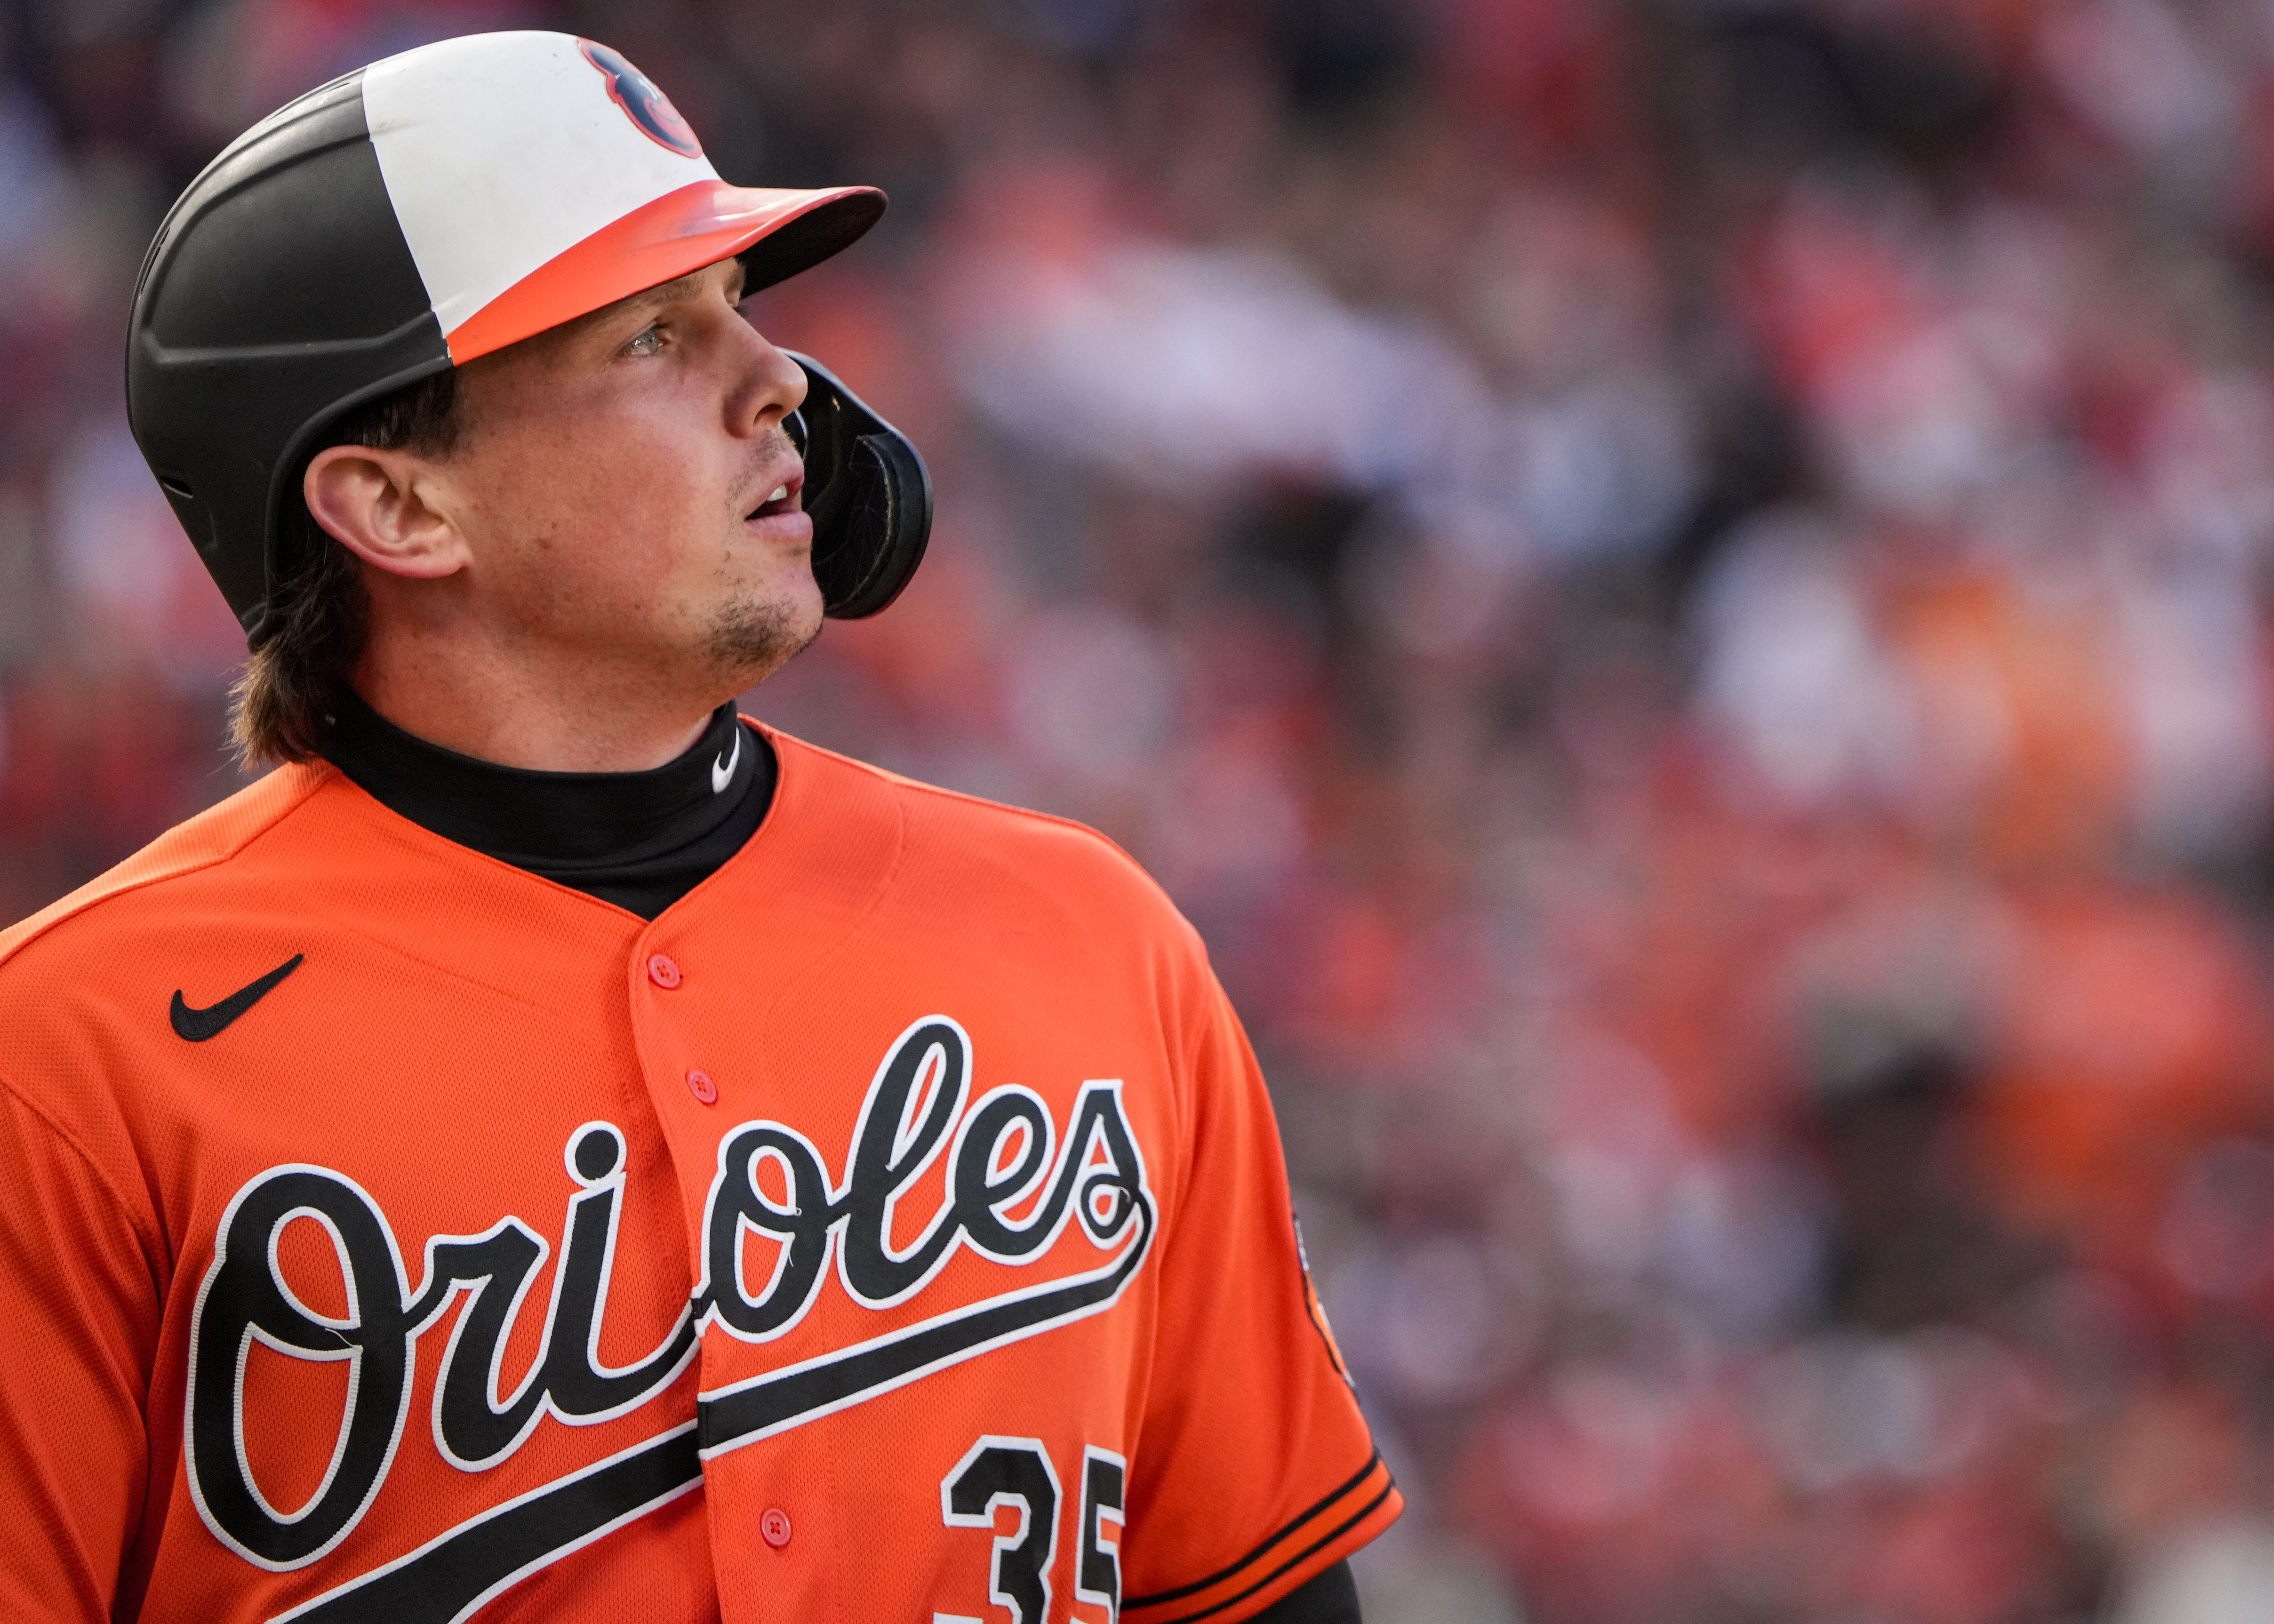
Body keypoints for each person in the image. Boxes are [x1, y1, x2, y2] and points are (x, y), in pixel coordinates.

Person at [0, 29, 1399, 1624]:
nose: (782, 384)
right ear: (397, 506)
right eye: (651, 338)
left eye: (739, 308)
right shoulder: (66, 1061)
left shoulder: (1090, 936)